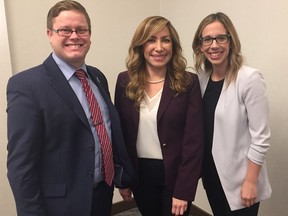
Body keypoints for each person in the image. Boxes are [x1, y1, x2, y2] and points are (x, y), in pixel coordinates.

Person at [6, 1, 134, 216]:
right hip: (61, 205)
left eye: (81, 30)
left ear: (89, 35)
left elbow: (106, 131)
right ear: (49, 34)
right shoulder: (26, 85)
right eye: (65, 30)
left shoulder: (97, 77)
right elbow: (21, 167)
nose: (74, 36)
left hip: (102, 193)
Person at [114, 16, 204, 216]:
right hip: (140, 173)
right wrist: (123, 178)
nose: (159, 47)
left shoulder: (188, 82)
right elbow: (120, 135)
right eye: (151, 40)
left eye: (166, 40)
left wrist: (184, 190)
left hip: (175, 174)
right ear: (141, 45)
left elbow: (194, 141)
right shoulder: (124, 81)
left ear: (173, 45)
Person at [192, 12, 272, 216]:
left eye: (221, 37)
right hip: (212, 175)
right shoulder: (201, 79)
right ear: (200, 45)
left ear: (231, 40)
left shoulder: (249, 79)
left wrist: (251, 182)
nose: (214, 45)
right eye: (207, 39)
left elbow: (261, 138)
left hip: (241, 179)